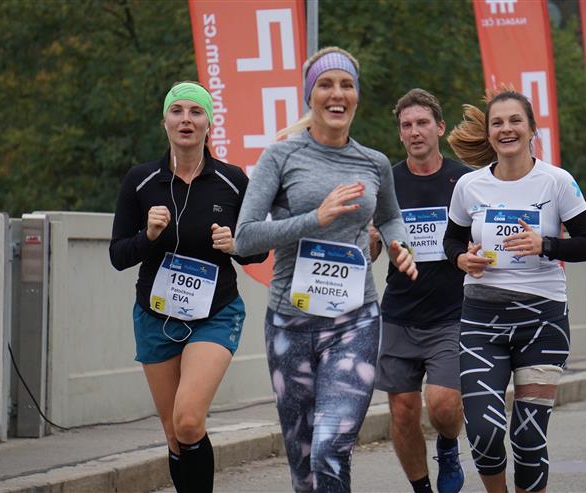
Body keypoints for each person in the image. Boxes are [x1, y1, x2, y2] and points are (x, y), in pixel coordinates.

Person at [234, 47, 417, 493]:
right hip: (290, 324)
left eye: (347, 85)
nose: (337, 94)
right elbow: (245, 238)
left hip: (355, 321)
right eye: (326, 84)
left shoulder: (373, 163)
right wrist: (315, 218)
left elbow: (390, 217)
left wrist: (401, 246)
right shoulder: (280, 157)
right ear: (309, 95)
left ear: (357, 95)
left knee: (330, 449)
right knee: (304, 467)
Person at [109, 81, 267, 493]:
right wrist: (148, 236)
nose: (186, 119)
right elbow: (118, 255)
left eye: (196, 112)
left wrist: (236, 245)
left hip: (215, 313)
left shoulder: (232, 181)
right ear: (164, 121)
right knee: (174, 433)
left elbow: (258, 251)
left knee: (190, 420)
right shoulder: (141, 180)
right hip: (155, 315)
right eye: (177, 111)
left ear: (209, 123)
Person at [443, 90, 586, 493]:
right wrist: (462, 259)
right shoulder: (469, 185)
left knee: (528, 438)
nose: (506, 129)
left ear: (532, 129)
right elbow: (452, 241)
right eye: (497, 122)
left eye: (515, 120)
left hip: (543, 322)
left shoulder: (557, 181)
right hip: (482, 322)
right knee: (483, 433)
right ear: (489, 133)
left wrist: (545, 245)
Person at [371, 88, 471, 493]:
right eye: (407, 125)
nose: (415, 131)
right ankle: (422, 488)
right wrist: (371, 239)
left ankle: (448, 445)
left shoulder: (464, 180)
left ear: (440, 127)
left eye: (423, 123)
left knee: (444, 404)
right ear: (400, 133)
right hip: (399, 312)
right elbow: (370, 252)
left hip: (452, 313)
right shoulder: (387, 183)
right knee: (402, 410)